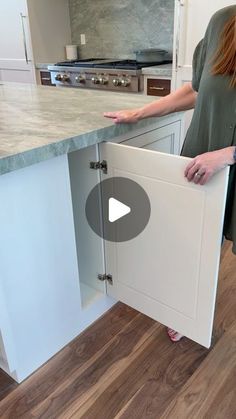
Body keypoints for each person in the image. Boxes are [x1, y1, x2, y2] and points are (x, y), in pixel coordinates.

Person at [104, 5, 236, 342]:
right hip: (201, 154)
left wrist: (228, 155)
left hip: (223, 158)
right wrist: (142, 111)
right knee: (192, 237)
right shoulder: (223, 22)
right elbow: (195, 90)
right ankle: (184, 307)